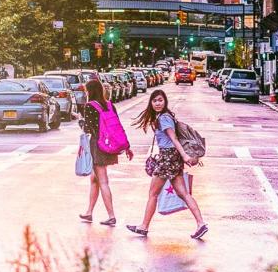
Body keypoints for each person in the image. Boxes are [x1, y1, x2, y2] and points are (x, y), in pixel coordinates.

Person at [127, 89, 208, 240]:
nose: (157, 103)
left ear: (165, 102)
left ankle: (144, 226)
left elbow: (174, 138)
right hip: (172, 158)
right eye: (155, 100)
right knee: (183, 193)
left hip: (168, 157)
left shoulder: (164, 118)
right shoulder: (163, 116)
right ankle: (201, 224)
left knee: (153, 193)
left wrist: (184, 156)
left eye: (160, 100)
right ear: (151, 103)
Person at [78, 78, 132, 226]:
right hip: (108, 145)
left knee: (103, 180)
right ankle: (89, 212)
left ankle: (111, 215)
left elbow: (87, 129)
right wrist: (126, 145)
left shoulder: (89, 106)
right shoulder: (109, 105)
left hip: (97, 145)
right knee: (94, 179)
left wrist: (79, 120)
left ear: (89, 91)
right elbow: (117, 126)